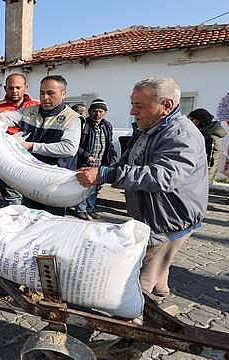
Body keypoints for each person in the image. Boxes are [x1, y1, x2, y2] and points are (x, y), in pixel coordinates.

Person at [76, 78, 208, 297]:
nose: (132, 111)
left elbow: (164, 176)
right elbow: (128, 162)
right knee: (159, 267)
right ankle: (160, 291)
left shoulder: (181, 134)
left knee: (140, 281)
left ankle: (134, 322)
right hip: (153, 216)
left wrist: (106, 174)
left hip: (168, 220)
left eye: (139, 106)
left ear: (166, 106)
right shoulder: (148, 128)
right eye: (132, 104)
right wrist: (103, 172)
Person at [0, 75, 81, 216]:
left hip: (54, 183)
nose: (45, 97)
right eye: (42, 92)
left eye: (50, 93)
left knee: (49, 222)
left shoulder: (72, 119)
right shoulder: (30, 111)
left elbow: (69, 148)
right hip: (31, 178)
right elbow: (8, 117)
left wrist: (32, 146)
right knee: (28, 217)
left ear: (63, 94)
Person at [0, 73, 40, 207]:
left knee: (33, 198)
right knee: (13, 199)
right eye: (11, 88)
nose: (14, 91)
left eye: (18, 87)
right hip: (7, 161)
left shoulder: (37, 106)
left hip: (33, 161)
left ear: (26, 88)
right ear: (5, 88)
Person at [72, 98, 117, 220]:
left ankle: (90, 209)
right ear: (90, 112)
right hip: (84, 162)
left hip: (100, 162)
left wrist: (113, 156)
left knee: (95, 188)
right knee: (84, 186)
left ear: (105, 113)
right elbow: (75, 145)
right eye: (95, 111)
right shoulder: (83, 124)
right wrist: (87, 155)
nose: (98, 114)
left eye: (101, 111)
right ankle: (81, 209)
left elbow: (109, 143)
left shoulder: (107, 126)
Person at [188, 108, 227, 184]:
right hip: (199, 176)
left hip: (202, 178)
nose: (190, 122)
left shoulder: (211, 137)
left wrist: (206, 180)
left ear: (200, 120)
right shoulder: (206, 133)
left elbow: (210, 161)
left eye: (192, 119)